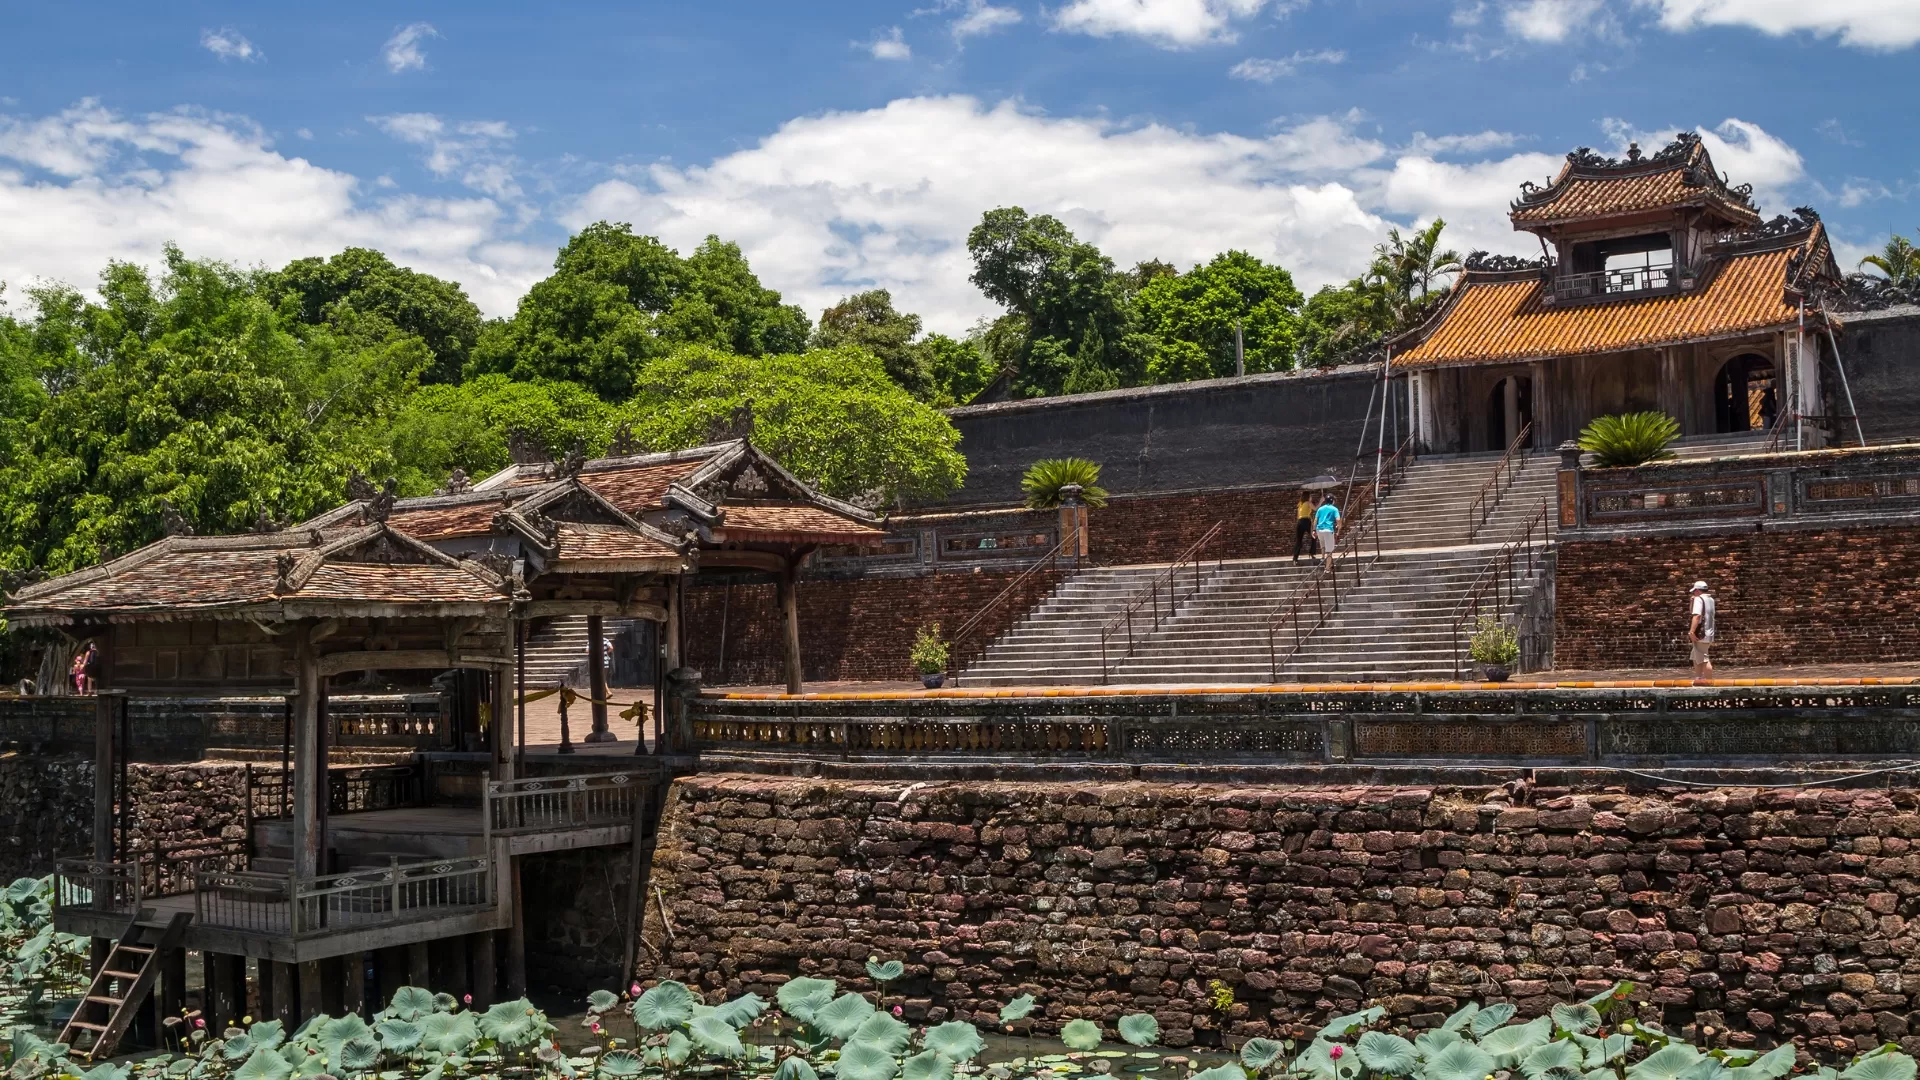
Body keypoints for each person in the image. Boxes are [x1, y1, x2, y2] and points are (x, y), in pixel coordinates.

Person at [1688, 580, 1716, 679]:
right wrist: (1692, 602)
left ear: (1697, 590)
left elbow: (1696, 615)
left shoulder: (1699, 599)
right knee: (1696, 656)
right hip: (1708, 631)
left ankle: (1708, 680)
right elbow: (1695, 611)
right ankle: (1699, 677)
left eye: (1694, 591)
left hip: (1701, 633)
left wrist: (1692, 631)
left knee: (1704, 658)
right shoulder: (1710, 599)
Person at [1312, 495, 1341, 572]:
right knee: (1329, 551)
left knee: (1324, 545)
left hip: (1319, 530)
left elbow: (1315, 520)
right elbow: (1338, 520)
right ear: (1332, 501)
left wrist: (1314, 530)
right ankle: (1327, 568)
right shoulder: (1334, 509)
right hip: (1328, 530)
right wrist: (1339, 528)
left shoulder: (1320, 509)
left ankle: (1328, 563)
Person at [1292, 492, 1315, 561]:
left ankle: (1295, 558)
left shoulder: (1300, 504)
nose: (1311, 498)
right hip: (1306, 521)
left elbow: (1298, 516)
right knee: (1314, 536)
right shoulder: (1308, 503)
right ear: (1308, 497)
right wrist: (1321, 501)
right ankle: (1312, 552)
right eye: (1310, 496)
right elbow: (1316, 508)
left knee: (1298, 540)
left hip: (1299, 522)